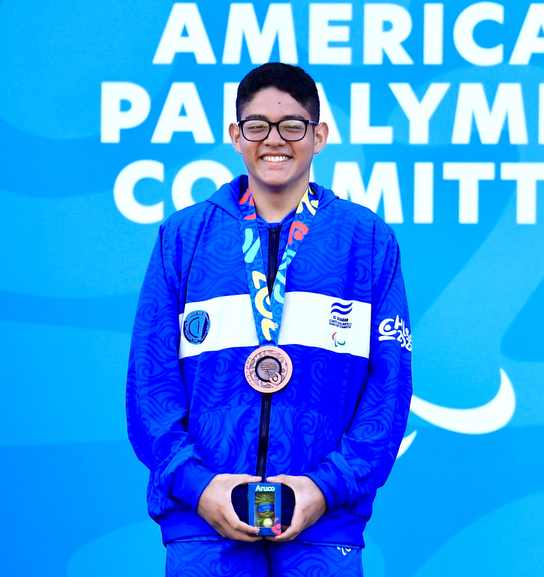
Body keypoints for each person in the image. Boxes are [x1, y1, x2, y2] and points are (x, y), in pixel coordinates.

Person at [126, 62, 413, 577]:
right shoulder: (183, 237)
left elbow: (388, 389)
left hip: (324, 526)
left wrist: (326, 488)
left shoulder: (366, 240)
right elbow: (151, 385)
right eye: (257, 126)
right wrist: (198, 486)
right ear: (236, 135)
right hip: (203, 522)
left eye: (292, 126)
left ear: (319, 136)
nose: (274, 140)